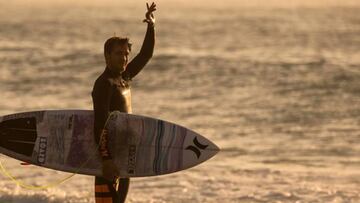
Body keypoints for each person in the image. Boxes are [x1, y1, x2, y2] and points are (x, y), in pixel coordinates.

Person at [91, 2, 156, 202]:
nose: (125, 57)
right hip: (109, 161)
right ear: (107, 56)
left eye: (126, 53)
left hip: (125, 154)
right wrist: (106, 160)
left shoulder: (124, 77)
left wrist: (151, 25)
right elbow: (100, 124)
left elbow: (145, 55)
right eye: (119, 53)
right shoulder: (104, 84)